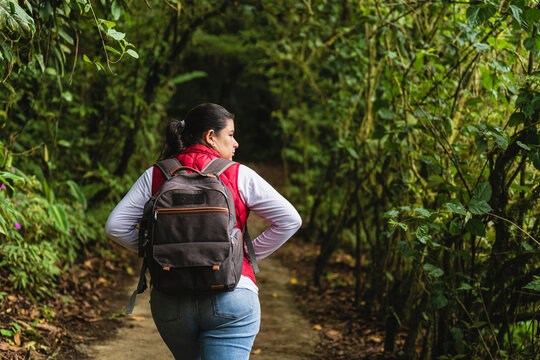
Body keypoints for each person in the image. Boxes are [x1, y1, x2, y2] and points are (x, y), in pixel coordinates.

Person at [105, 103, 301, 360]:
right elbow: (289, 220)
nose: (236, 143)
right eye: (230, 134)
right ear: (210, 136)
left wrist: (157, 251)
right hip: (232, 293)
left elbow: (115, 227)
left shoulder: (157, 173)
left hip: (171, 298)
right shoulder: (238, 174)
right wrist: (239, 255)